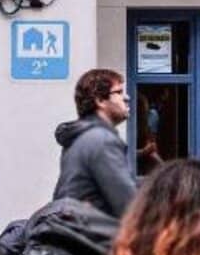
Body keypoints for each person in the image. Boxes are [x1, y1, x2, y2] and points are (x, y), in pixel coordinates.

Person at [53, 69, 139, 218]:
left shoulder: (81, 138)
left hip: (75, 233)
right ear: (100, 101)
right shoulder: (102, 141)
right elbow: (128, 205)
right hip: (92, 237)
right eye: (118, 92)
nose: (126, 97)